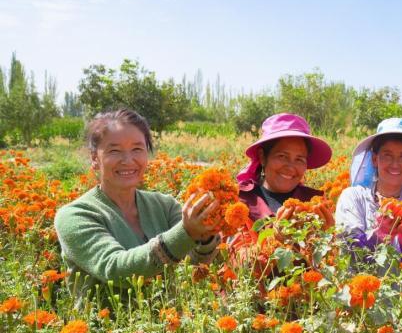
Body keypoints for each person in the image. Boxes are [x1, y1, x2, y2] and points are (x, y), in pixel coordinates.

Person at [55, 109, 220, 302]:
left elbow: (192, 268)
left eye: (137, 149)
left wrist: (206, 235)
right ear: (94, 158)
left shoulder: (165, 206)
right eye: (114, 151)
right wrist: (187, 232)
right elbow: (115, 268)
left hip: (171, 326)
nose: (128, 160)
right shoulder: (75, 216)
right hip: (105, 329)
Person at [335, 117, 402, 252]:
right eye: (387, 155)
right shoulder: (354, 198)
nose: (395, 164)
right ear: (375, 160)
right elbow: (347, 247)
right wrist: (380, 234)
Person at [236, 113, 334, 225]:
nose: (290, 167)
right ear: (263, 156)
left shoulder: (315, 202)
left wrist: (329, 236)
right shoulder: (240, 200)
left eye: (299, 159)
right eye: (282, 156)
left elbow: (332, 240)